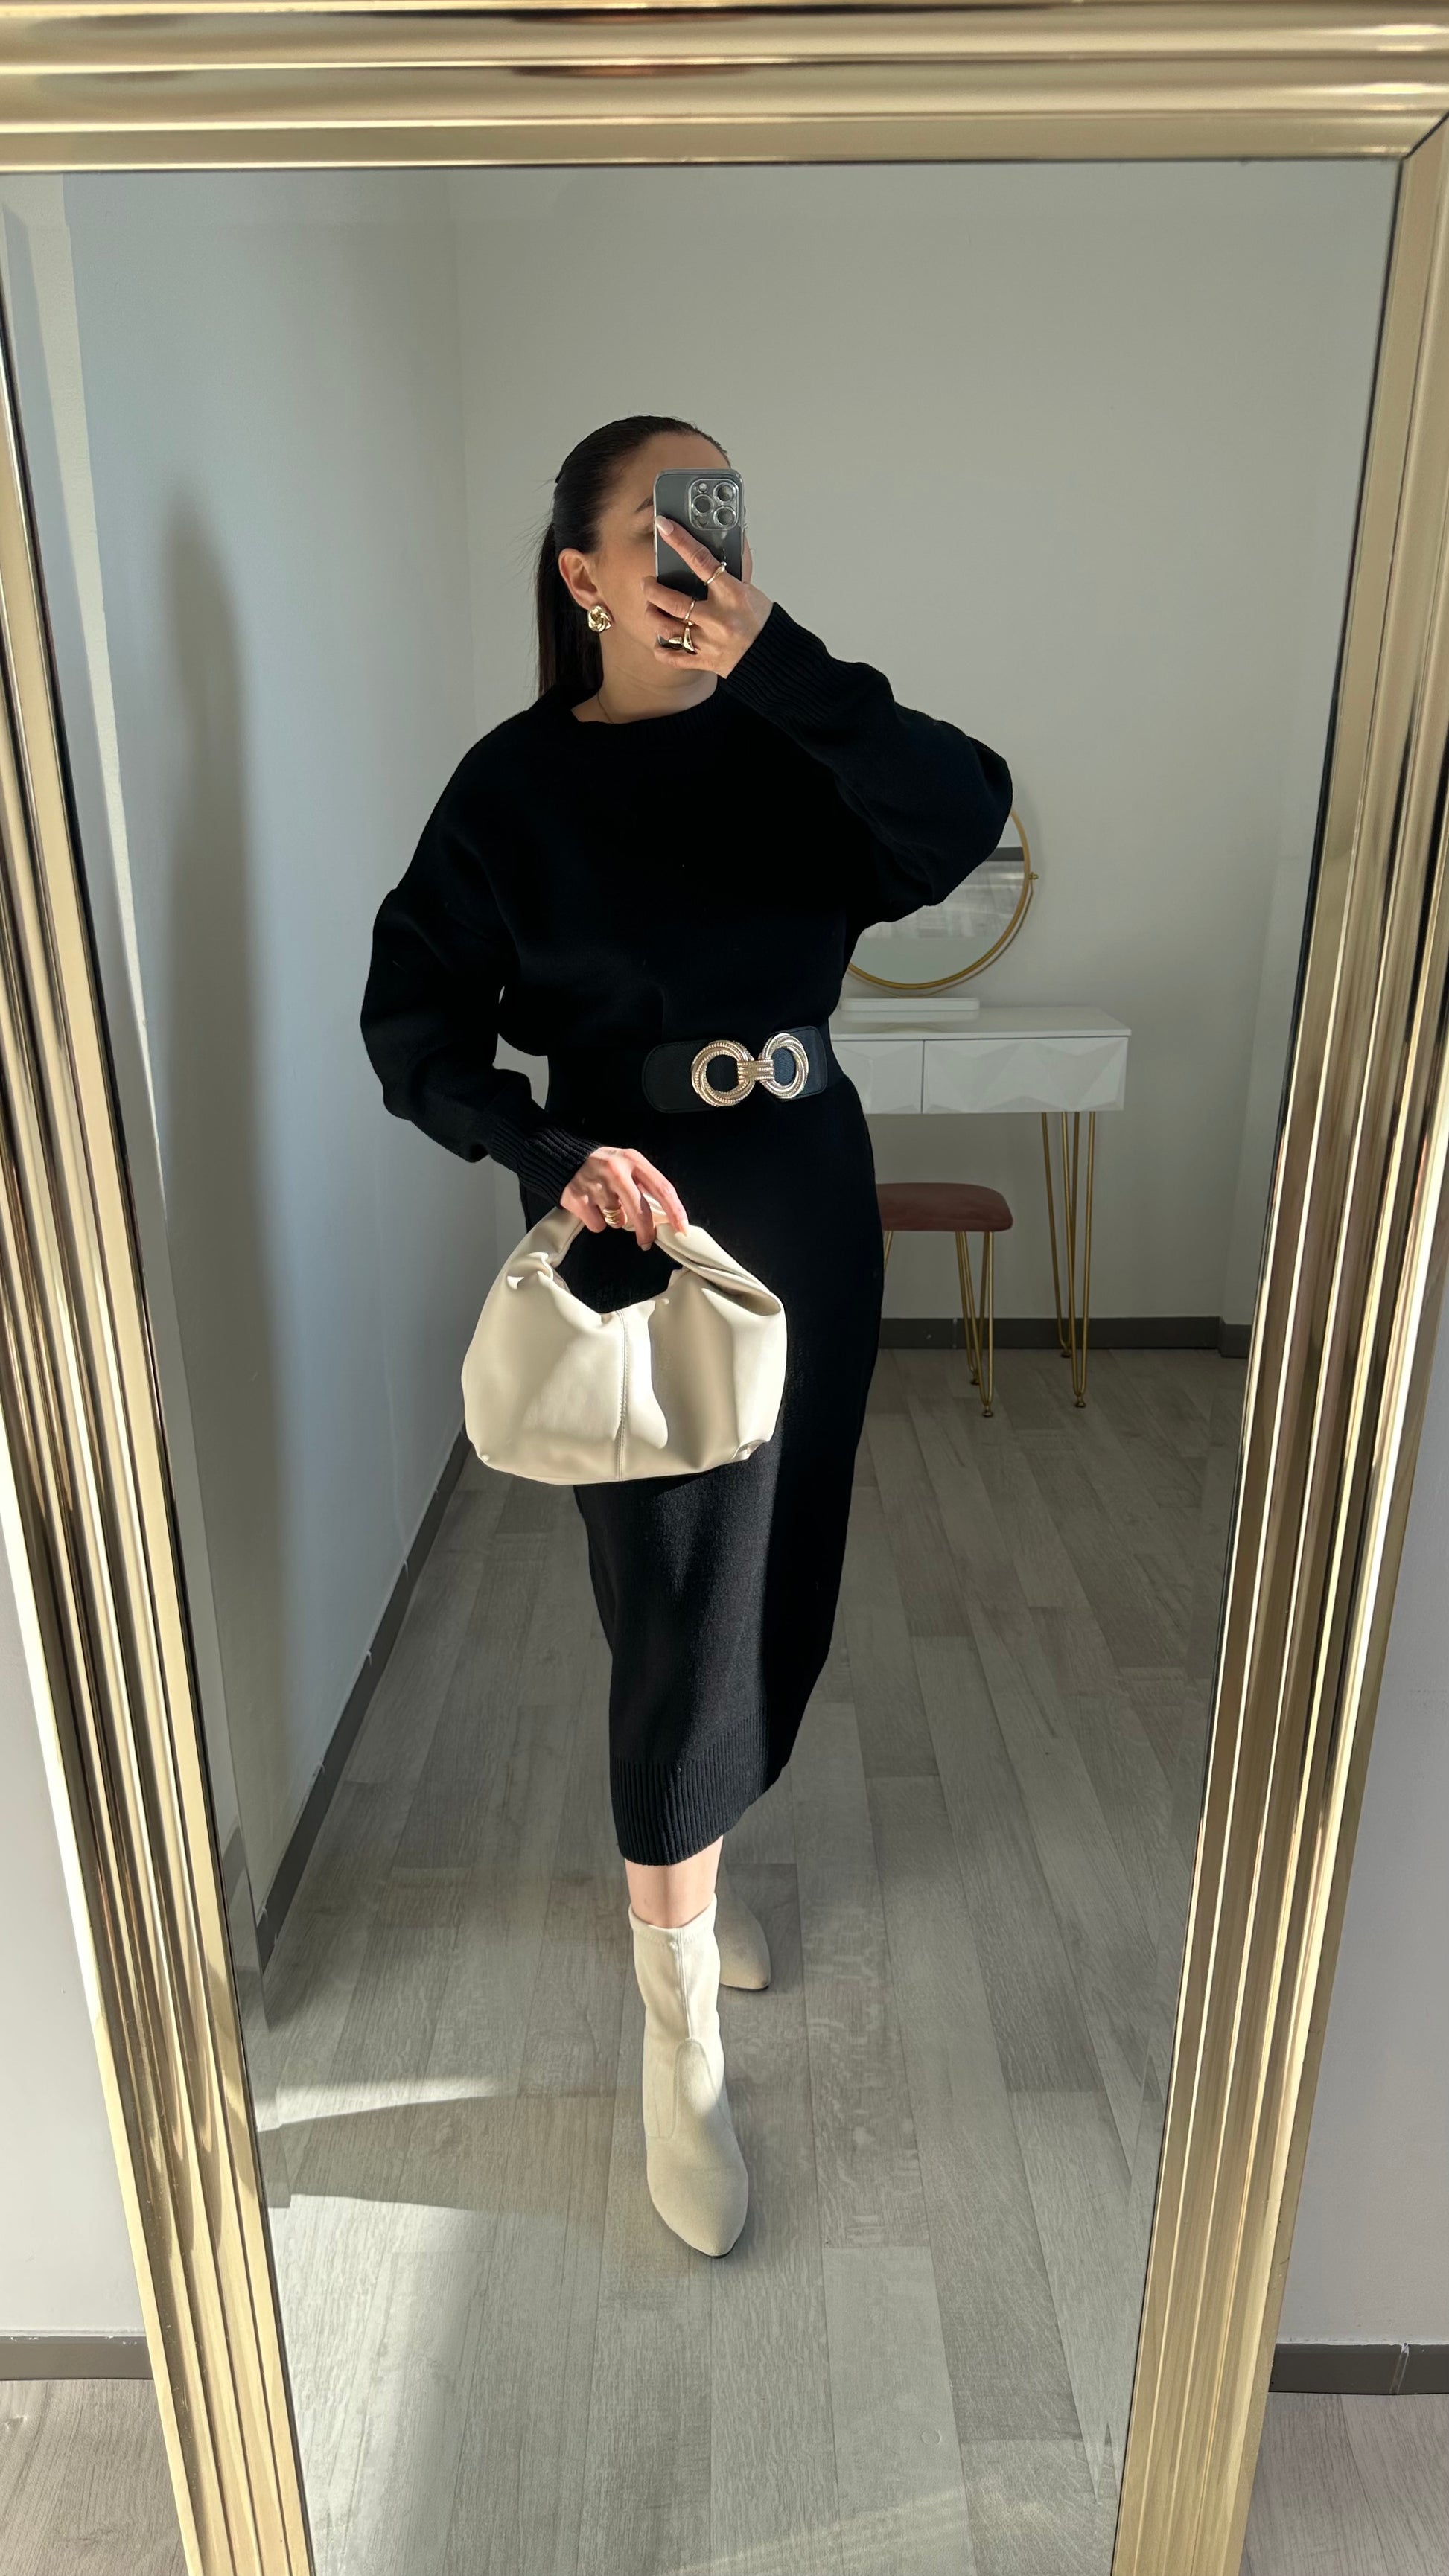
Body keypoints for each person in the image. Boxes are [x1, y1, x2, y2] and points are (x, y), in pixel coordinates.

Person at [360, 413, 1013, 2257]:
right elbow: (414, 1025)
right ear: (581, 573)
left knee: (777, 1570)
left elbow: (960, 814)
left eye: (716, 523)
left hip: (805, 1188)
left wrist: (777, 657)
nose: (694, 560)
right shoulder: (512, 787)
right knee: (673, 1599)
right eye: (660, 528)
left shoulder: (796, 743)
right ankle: (676, 2035)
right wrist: (547, 1151)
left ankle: (694, 1849)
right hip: (632, 1215)